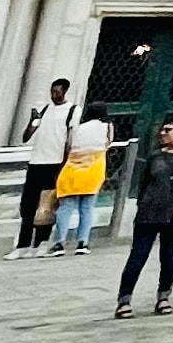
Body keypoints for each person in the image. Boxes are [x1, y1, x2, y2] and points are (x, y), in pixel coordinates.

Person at [113, 118, 173, 317]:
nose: (163, 133)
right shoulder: (155, 156)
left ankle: (163, 296)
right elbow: (144, 183)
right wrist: (140, 205)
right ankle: (124, 299)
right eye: (162, 129)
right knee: (137, 256)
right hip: (149, 211)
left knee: (170, 256)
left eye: (168, 130)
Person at [14, 80, 73, 249]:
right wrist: (33, 120)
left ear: (65, 91)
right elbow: (26, 136)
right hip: (36, 161)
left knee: (47, 204)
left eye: (58, 92)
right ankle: (23, 244)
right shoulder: (45, 109)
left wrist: (64, 165)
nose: (54, 95)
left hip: (54, 162)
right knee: (28, 204)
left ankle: (41, 242)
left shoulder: (72, 111)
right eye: (52, 92)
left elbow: (69, 139)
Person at [50, 101, 114, 253]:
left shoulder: (77, 128)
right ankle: (82, 243)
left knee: (65, 207)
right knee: (87, 208)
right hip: (93, 170)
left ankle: (59, 243)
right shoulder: (107, 127)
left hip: (72, 169)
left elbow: (69, 145)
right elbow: (108, 143)